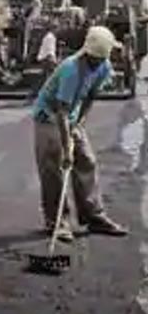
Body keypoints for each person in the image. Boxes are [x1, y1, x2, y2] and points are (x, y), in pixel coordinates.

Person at [32, 25, 128, 241]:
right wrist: (67, 150)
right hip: (48, 118)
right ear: (87, 54)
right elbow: (61, 112)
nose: (99, 62)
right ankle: (57, 222)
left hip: (70, 117)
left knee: (87, 161)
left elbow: (90, 97)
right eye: (96, 59)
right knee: (55, 168)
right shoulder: (70, 70)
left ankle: (94, 216)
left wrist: (80, 123)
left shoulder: (103, 66)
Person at [36, 20, 58, 87]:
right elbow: (50, 50)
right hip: (47, 59)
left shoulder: (48, 36)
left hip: (45, 59)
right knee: (51, 77)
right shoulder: (51, 37)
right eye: (56, 28)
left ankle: (35, 92)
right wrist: (54, 60)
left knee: (44, 76)